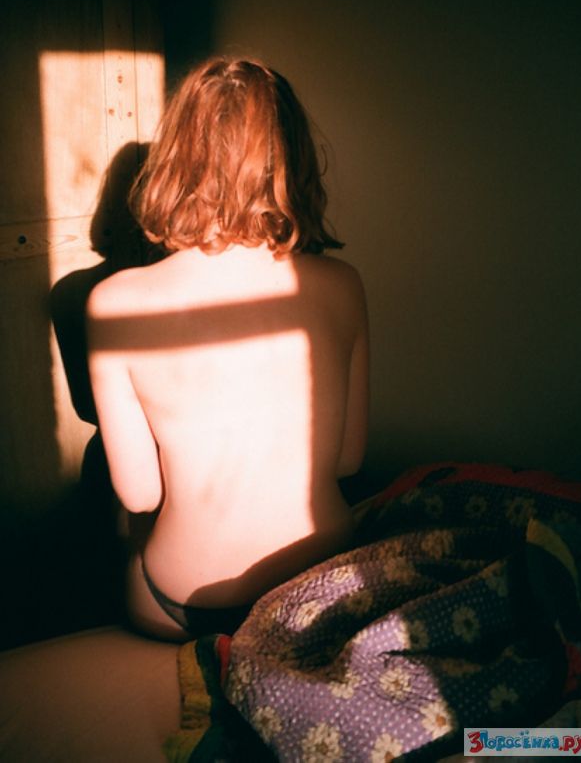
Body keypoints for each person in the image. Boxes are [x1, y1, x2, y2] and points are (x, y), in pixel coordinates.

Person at [86, 57, 369, 641]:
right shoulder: (343, 284)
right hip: (320, 593)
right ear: (292, 159)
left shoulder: (113, 301)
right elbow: (348, 461)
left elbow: (139, 493)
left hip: (182, 603)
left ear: (174, 161)